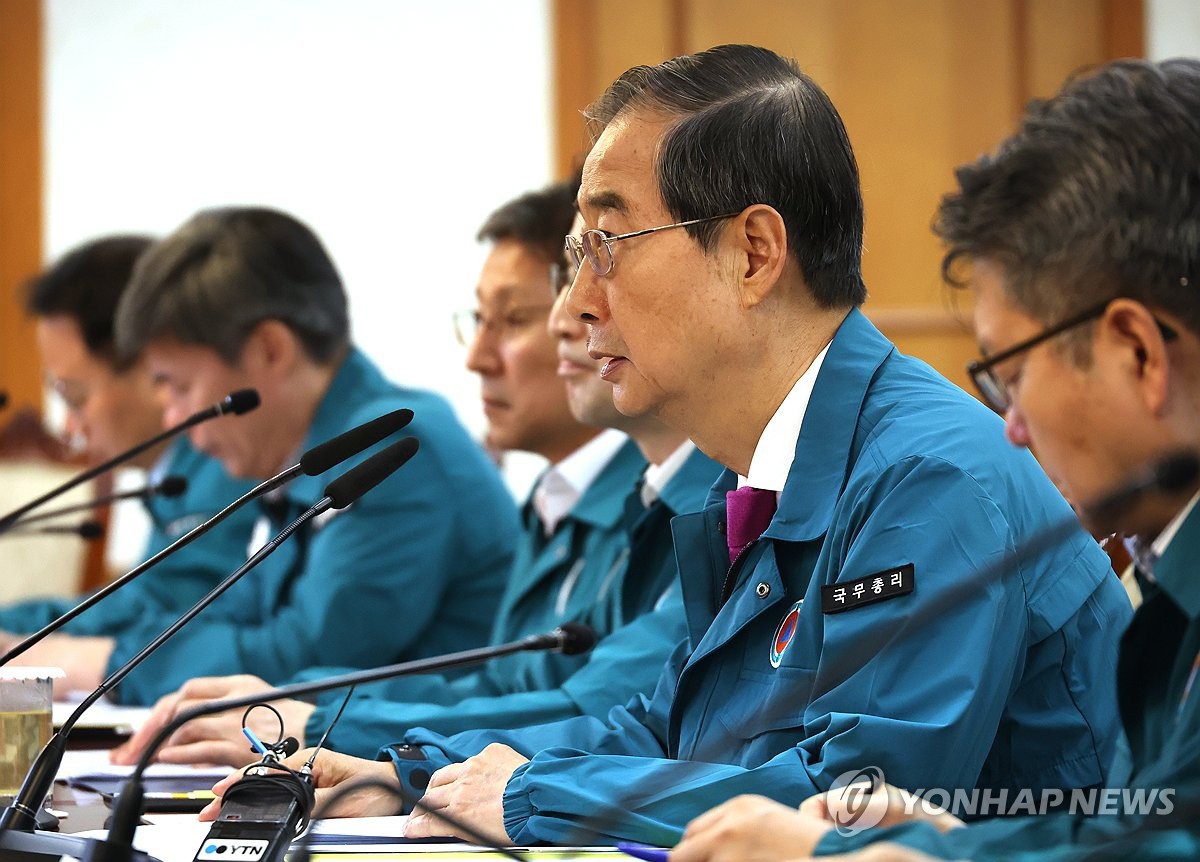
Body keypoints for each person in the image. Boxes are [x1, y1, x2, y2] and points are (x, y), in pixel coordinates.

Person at [240, 45, 1132, 847]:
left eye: (608, 243)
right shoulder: (757, 470)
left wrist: (530, 792)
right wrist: (415, 777)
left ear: (752, 253)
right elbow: (667, 728)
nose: (577, 304)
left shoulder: (930, 476)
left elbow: (855, 799)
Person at [667, 57, 1200, 862]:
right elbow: (1145, 833)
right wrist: (957, 843)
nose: (1012, 428)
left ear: (1134, 352)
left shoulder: (937, 471)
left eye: (1012, 377)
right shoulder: (1174, 575)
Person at [121, 182, 719, 772]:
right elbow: (513, 685)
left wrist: (319, 722)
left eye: (513, 318)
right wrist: (368, 756)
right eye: (567, 285)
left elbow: (597, 713)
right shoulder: (589, 494)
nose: (574, 320)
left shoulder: (402, 448)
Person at [6, 207, 519, 705]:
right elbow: (224, 614)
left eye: (180, 388)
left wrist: (95, 664)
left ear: (271, 350)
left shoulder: (393, 450)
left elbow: (302, 658)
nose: (173, 420)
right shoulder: (299, 459)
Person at [0, 235, 260, 689]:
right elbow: (140, 601)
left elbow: (168, 611)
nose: (70, 428)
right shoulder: (175, 476)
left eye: (75, 396)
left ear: (150, 363)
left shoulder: (230, 465)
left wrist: (44, 643)